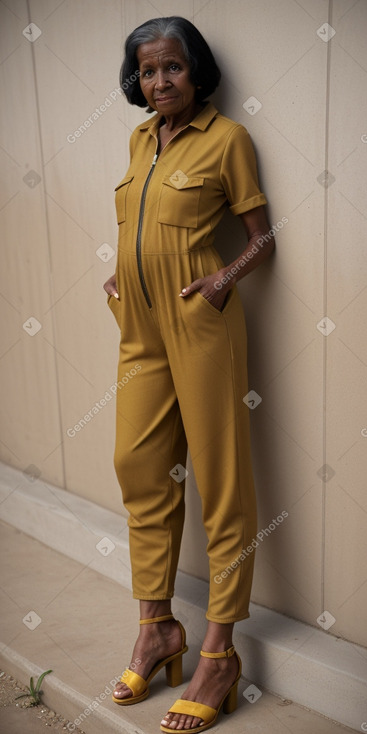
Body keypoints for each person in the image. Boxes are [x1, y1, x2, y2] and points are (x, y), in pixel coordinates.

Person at [103, 16, 274, 734]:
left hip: (199, 321)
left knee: (221, 478)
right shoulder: (141, 138)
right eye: (147, 71)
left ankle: (217, 652)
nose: (159, 82)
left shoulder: (228, 139)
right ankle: (156, 628)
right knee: (138, 465)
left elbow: (261, 237)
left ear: (195, 71)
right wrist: (118, 274)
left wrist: (221, 281)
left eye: (171, 68)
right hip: (138, 327)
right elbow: (135, 223)